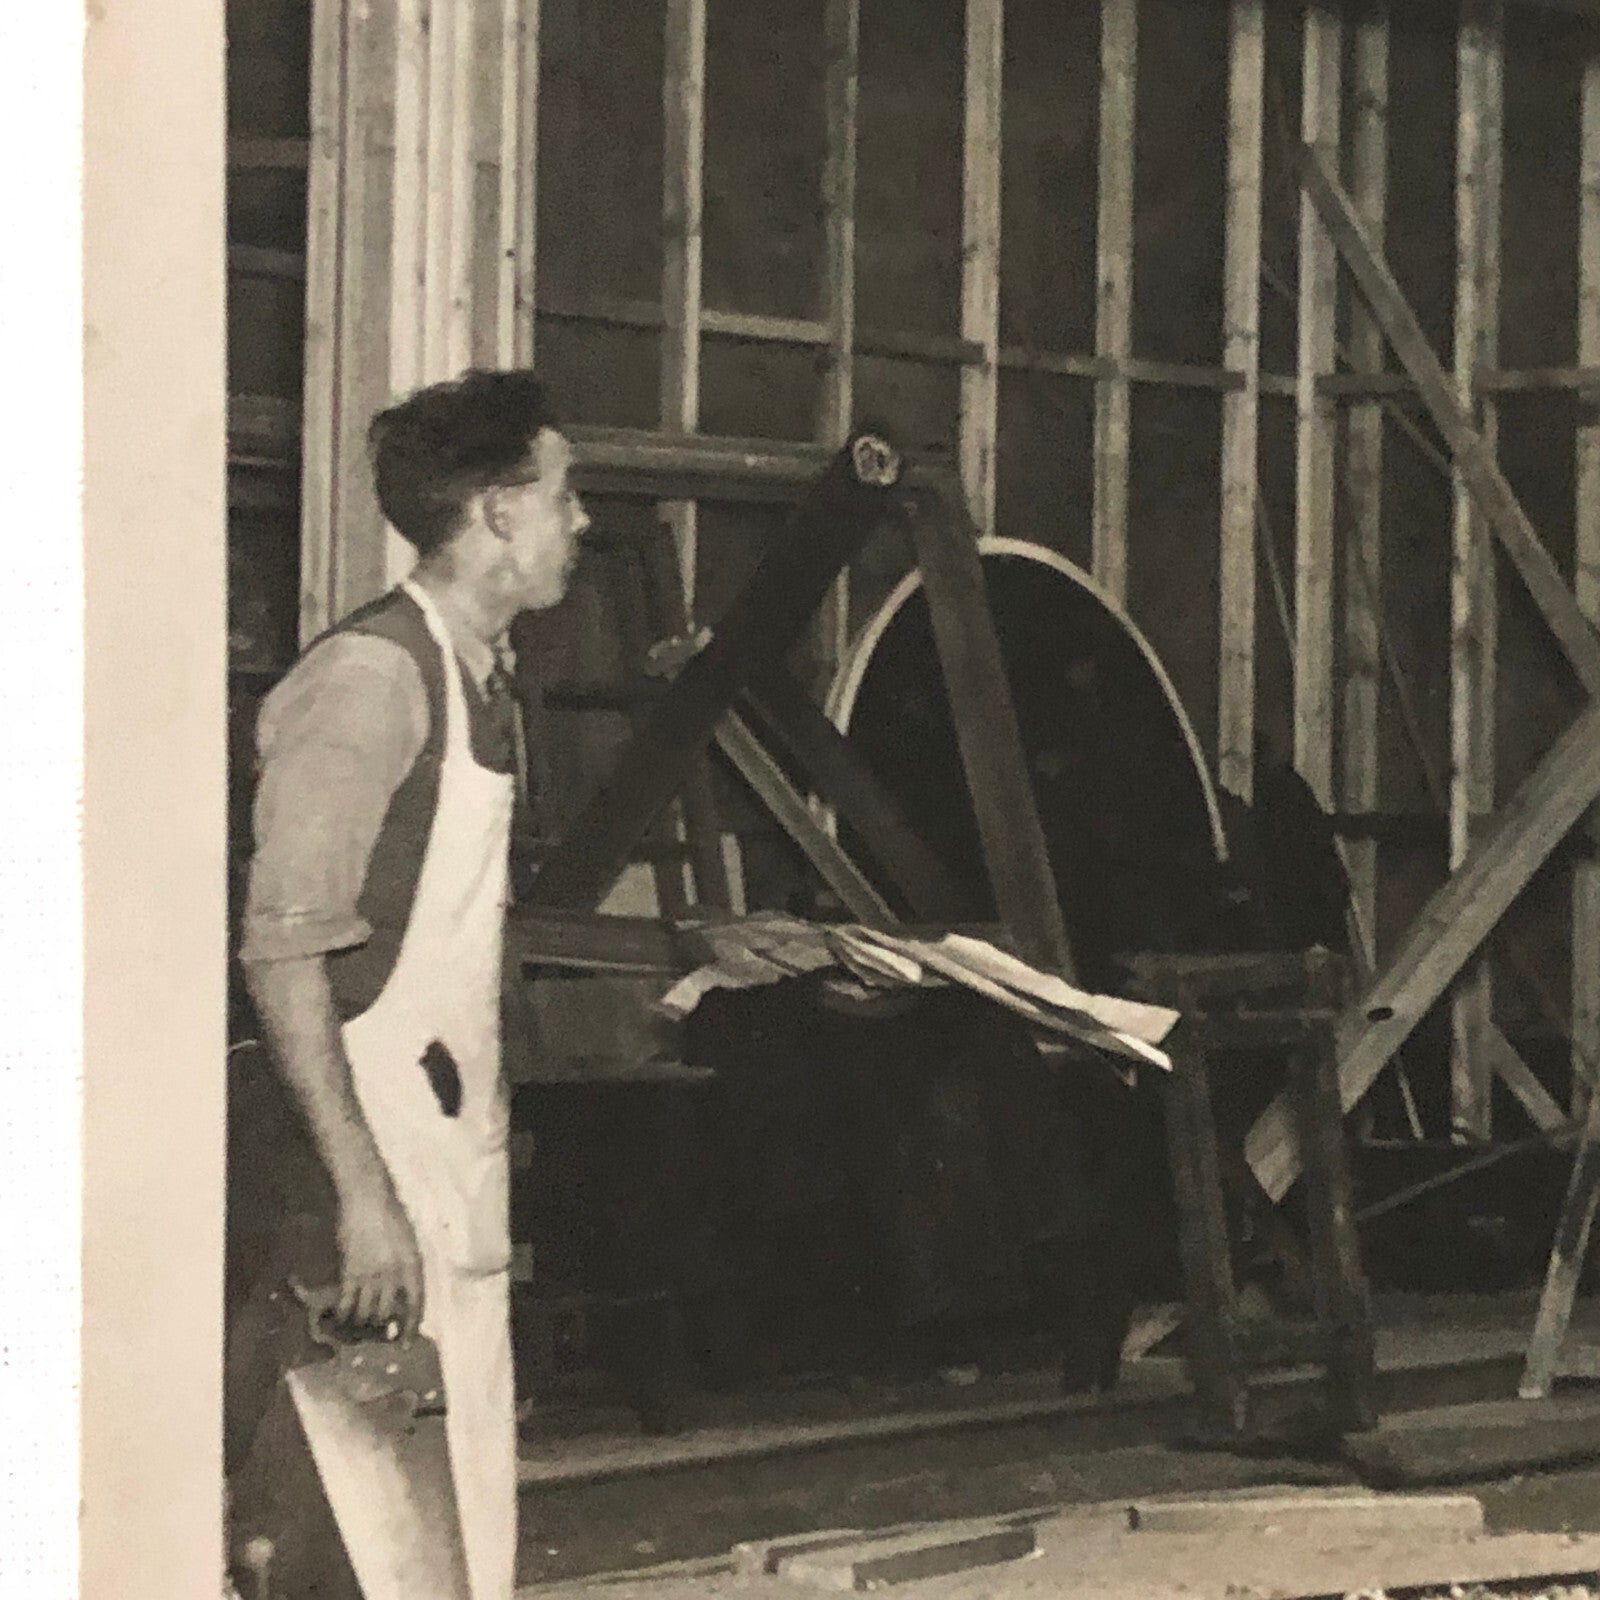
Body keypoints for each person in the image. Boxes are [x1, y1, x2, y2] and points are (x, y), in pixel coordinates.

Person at [231, 368, 589, 1599]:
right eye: (563, 490)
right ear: (496, 509)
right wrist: (359, 1195)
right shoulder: (372, 681)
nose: (578, 520)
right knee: (348, 1539)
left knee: (461, 1525)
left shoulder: (484, 676)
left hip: (448, 1151)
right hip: (358, 1156)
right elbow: (281, 954)